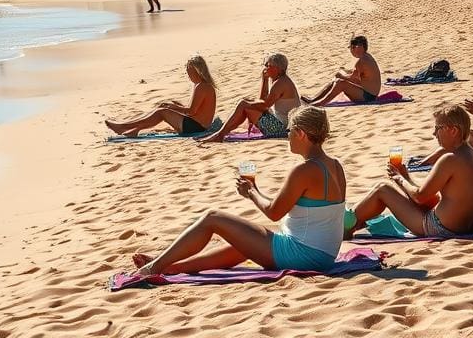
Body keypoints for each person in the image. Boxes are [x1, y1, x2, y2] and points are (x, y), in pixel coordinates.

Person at [130, 107, 345, 277]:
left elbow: (274, 213)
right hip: (324, 255)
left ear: (300, 134)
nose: (287, 136)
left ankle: (155, 267)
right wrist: (255, 190)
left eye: (289, 131)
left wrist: (251, 192)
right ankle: (171, 265)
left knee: (212, 218)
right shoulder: (335, 166)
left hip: (303, 255)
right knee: (243, 240)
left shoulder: (304, 170)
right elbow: (306, 212)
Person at [347, 104, 473, 239]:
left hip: (442, 228)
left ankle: (346, 224)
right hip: (468, 228)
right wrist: (406, 177)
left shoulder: (450, 159)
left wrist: (399, 179)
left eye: (438, 128)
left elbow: (420, 196)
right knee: (412, 198)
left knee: (382, 189)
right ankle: (352, 221)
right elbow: (429, 196)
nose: (434, 134)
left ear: (453, 130)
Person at [198, 53, 300, 143]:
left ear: (277, 68)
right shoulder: (280, 80)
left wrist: (245, 104)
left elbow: (265, 105)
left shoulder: (281, 83)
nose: (265, 68)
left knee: (244, 105)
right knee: (247, 102)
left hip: (281, 129)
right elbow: (263, 101)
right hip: (281, 124)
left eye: (268, 65)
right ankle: (221, 133)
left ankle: (220, 135)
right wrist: (264, 80)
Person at [105, 55, 217, 137]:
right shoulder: (201, 85)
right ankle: (130, 127)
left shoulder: (202, 86)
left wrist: (173, 108)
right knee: (161, 109)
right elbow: (195, 110)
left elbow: (191, 111)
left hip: (196, 127)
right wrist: (176, 106)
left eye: (189, 71)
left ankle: (125, 127)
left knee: (161, 112)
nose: (188, 75)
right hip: (196, 124)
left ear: (197, 71)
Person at [302, 36, 381, 106]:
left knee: (340, 83)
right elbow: (361, 77)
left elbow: (354, 79)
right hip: (370, 93)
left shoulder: (361, 62)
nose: (351, 50)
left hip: (368, 96)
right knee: (336, 81)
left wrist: (342, 76)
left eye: (352, 47)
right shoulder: (367, 57)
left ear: (358, 47)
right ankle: (313, 99)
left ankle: (320, 103)